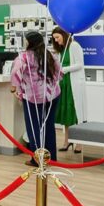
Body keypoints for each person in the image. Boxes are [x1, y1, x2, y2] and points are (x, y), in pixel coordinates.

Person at [10, 31, 62, 166]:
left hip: (33, 97)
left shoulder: (23, 57)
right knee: (49, 126)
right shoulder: (49, 55)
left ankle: (37, 159)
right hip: (53, 95)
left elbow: (16, 74)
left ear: (29, 42)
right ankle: (52, 158)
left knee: (34, 128)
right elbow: (59, 73)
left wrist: (14, 89)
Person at [50, 27, 86, 154]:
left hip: (73, 84)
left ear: (64, 35)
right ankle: (67, 141)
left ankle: (79, 143)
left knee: (75, 114)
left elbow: (80, 64)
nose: (56, 40)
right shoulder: (60, 50)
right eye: (54, 38)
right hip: (63, 84)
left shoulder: (74, 46)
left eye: (57, 37)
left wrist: (64, 69)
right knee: (66, 114)